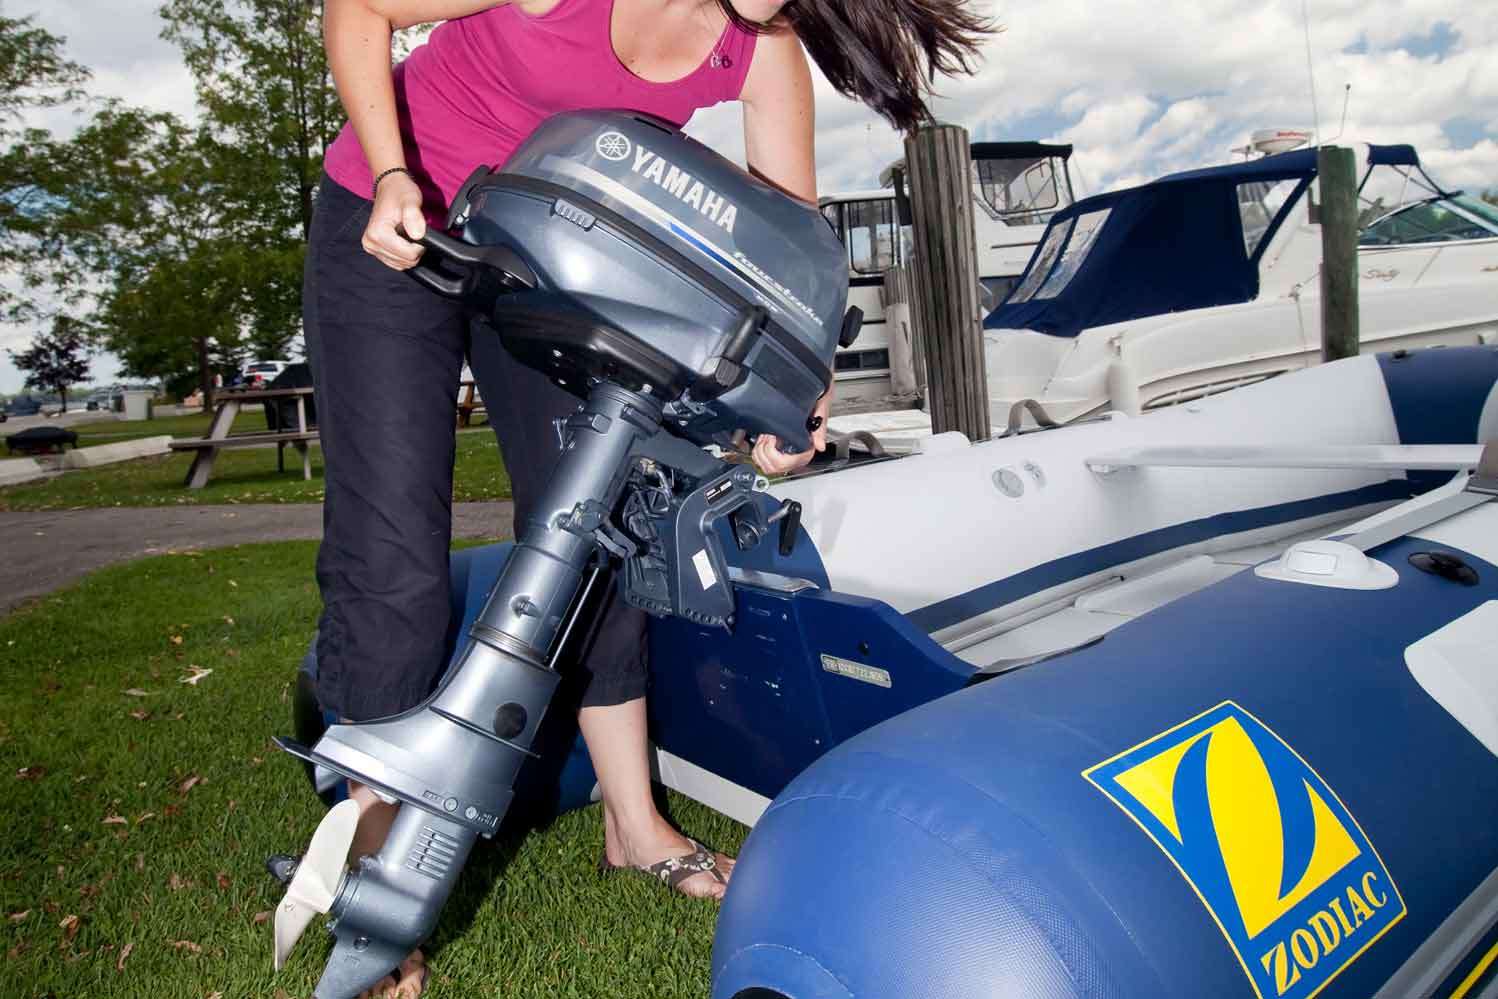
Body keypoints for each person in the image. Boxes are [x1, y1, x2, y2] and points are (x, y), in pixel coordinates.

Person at [306, 0, 990, 993]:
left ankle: (633, 823)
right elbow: (360, 7)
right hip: (397, 221)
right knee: (394, 543)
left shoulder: (765, 47)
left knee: (598, 522)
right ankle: (376, 865)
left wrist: (795, 403)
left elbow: (790, 257)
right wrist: (387, 169)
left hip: (546, 250)